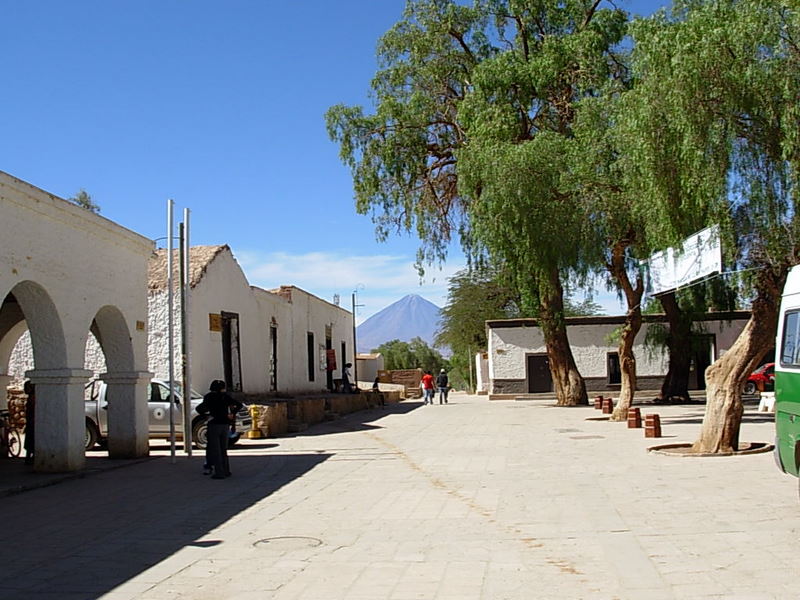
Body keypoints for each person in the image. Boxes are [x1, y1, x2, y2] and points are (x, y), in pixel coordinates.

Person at [196, 380, 241, 479]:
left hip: (214, 424)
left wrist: (207, 415)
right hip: (225, 425)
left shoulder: (209, 397)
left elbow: (199, 409)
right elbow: (239, 405)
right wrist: (232, 413)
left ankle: (219, 473)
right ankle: (226, 471)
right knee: (223, 450)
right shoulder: (225, 397)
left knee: (216, 450)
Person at [23, 381, 35, 465]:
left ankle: (29, 456)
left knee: (30, 437)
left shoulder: (31, 398)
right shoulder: (33, 398)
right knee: (32, 437)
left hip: (31, 420)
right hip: (32, 420)